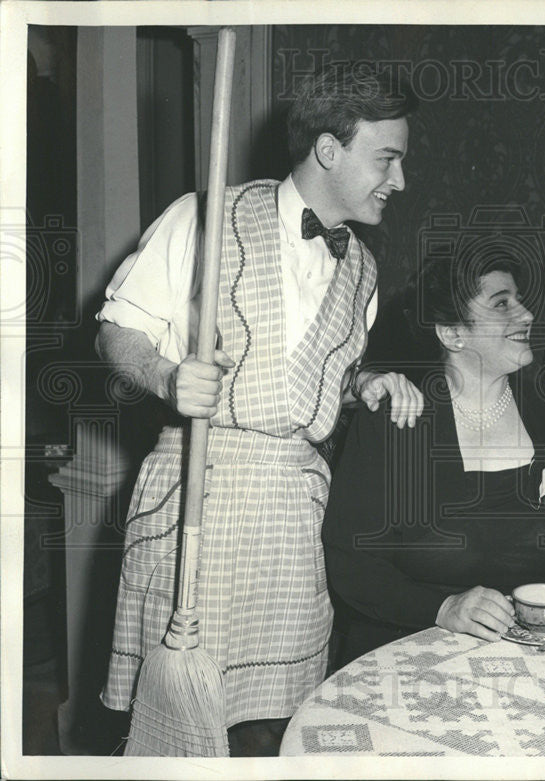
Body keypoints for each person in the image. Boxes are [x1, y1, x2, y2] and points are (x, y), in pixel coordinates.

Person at [96, 62, 424, 750]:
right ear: (329, 150)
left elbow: (315, 378)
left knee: (276, 729)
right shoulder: (203, 215)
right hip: (200, 504)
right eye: (387, 158)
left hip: (295, 524)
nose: (399, 180)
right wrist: (165, 376)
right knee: (180, 729)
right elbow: (117, 330)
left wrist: (363, 386)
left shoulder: (363, 267)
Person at [323, 248, 545, 667]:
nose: (525, 315)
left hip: (533, 652)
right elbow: (351, 562)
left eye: (519, 300)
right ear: (452, 333)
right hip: (411, 651)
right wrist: (443, 607)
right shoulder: (398, 419)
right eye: (502, 303)